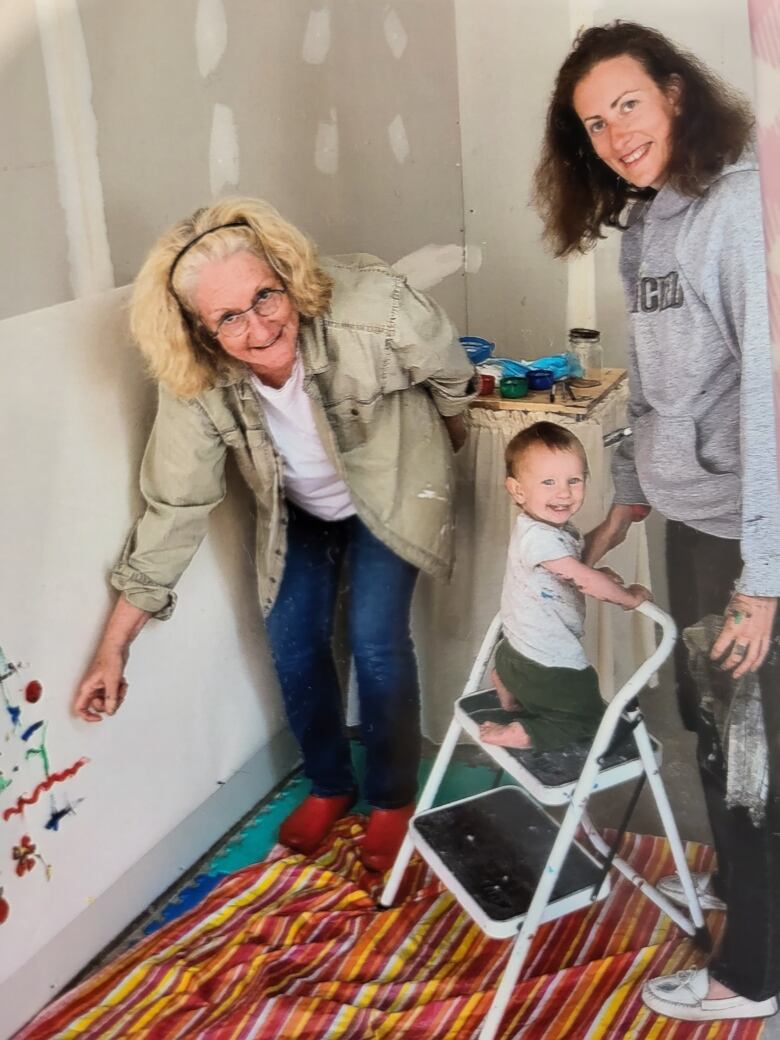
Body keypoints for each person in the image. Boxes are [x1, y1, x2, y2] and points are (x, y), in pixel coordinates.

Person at [72, 197, 476, 874]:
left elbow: (452, 375)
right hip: (300, 507)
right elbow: (174, 507)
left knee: (377, 641)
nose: (259, 327)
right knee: (290, 638)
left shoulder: (373, 309)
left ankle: (390, 799)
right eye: (229, 317)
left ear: (288, 276)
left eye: (266, 296)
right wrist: (113, 650)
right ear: (200, 334)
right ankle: (329, 783)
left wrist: (446, 438)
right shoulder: (195, 384)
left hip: (393, 483)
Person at [534, 21, 780, 1022]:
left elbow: (768, 393)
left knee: (749, 756)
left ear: (676, 92)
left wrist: (762, 576)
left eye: (627, 102)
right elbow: (660, 386)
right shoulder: (652, 219)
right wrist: (631, 484)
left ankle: (755, 973)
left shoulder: (737, 212)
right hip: (693, 521)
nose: (613, 132)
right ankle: (746, 909)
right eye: (593, 122)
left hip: (741, 535)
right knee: (715, 735)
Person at [478, 421, 650, 752]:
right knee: (587, 719)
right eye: (548, 482)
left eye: (574, 480)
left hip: (514, 654)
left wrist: (597, 571)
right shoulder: (539, 539)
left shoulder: (540, 529)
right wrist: (629, 597)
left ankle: (506, 685)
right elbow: (582, 578)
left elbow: (573, 565)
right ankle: (521, 734)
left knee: (530, 679)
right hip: (548, 664)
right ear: (517, 490)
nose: (563, 492)